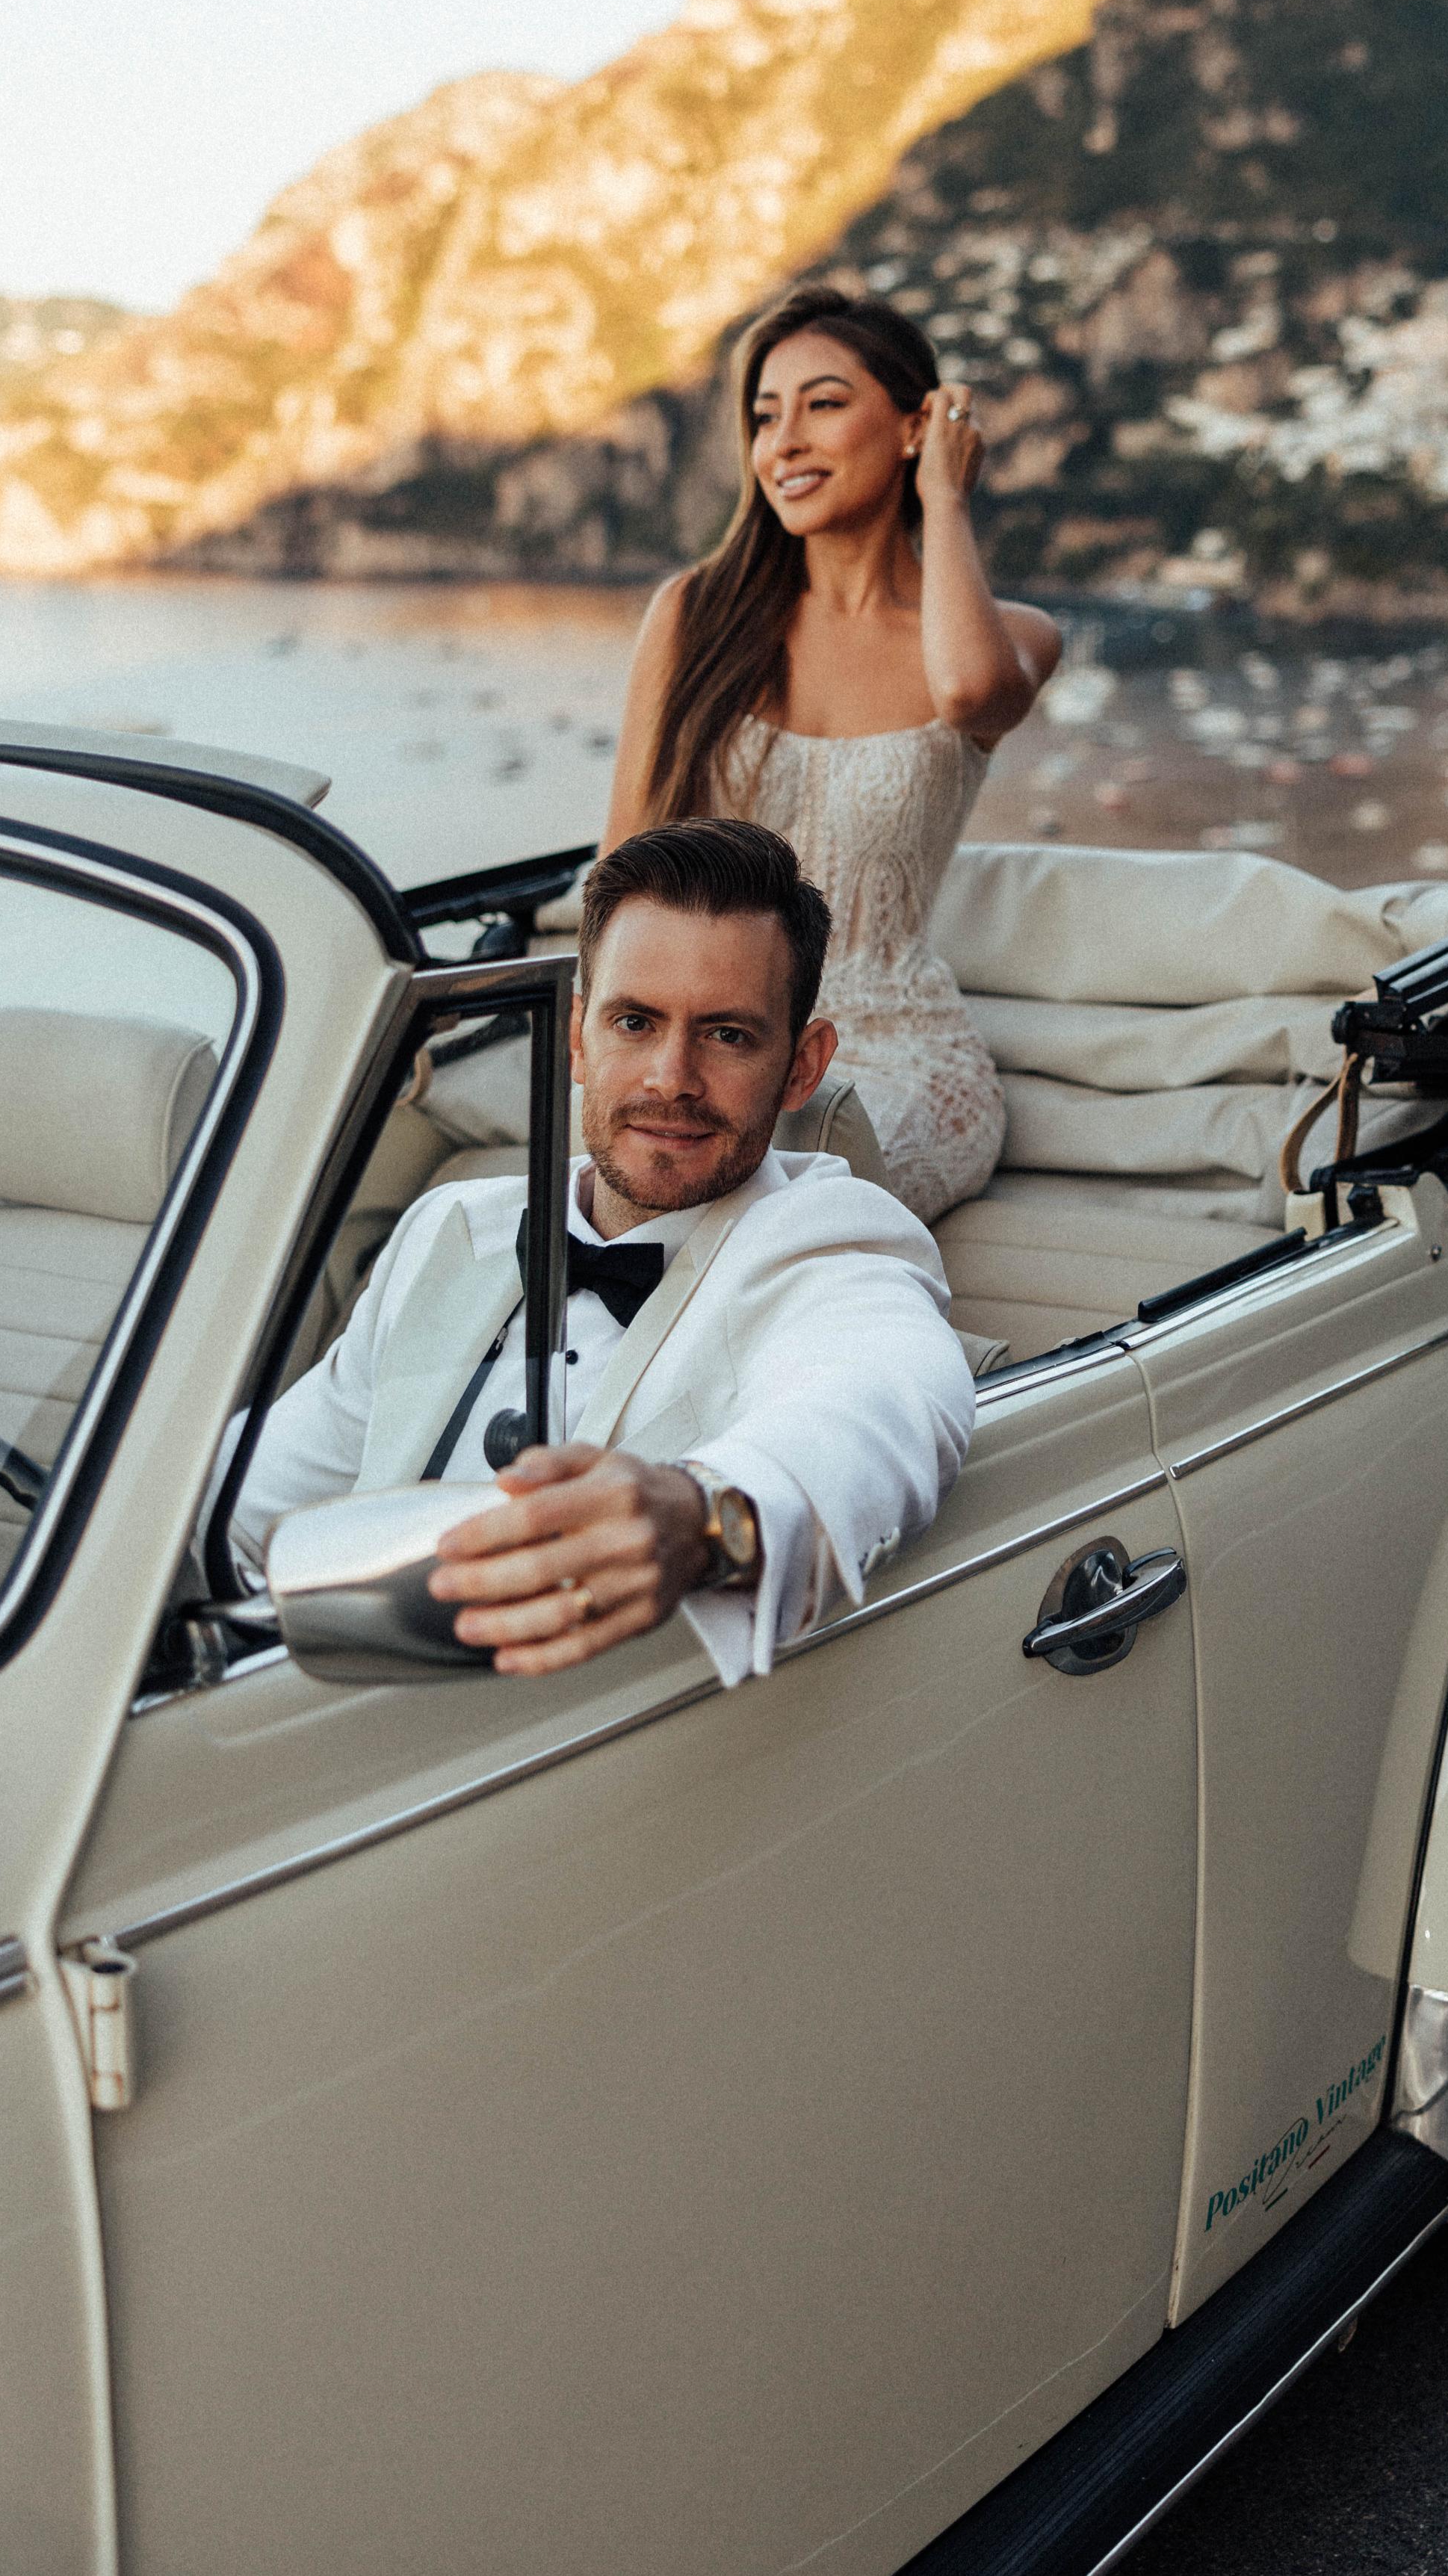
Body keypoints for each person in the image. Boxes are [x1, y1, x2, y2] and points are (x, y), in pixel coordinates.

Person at [225, 818, 976, 1685]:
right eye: (635, 1021)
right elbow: (248, 1505)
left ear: (802, 1068)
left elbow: (891, 1398)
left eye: (727, 1034)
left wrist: (705, 1517)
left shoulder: (830, 1243)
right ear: (578, 1037)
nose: (670, 1077)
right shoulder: (449, 1226)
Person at [603, 283, 1061, 1224]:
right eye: (766, 416)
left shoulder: (1011, 636)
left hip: (900, 1054)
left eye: (823, 404)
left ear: (916, 426)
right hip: (706, 1045)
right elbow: (622, 873)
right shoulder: (694, 617)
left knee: (775, 1182)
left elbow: (971, 692)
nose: (785, 442)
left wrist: (945, 497)